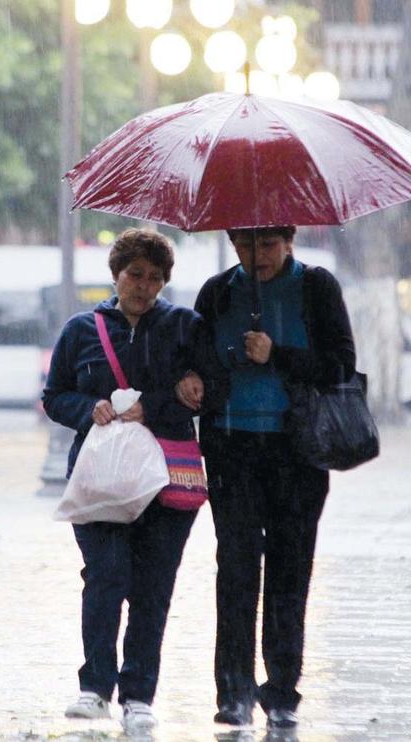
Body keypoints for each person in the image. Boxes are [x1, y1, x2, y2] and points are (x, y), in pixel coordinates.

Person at [42, 228, 225, 734]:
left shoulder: (185, 327)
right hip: (99, 478)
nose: (143, 287)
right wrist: (88, 408)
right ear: (115, 275)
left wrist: (159, 405)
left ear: (165, 281)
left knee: (152, 587)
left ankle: (139, 693)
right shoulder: (82, 329)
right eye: (134, 275)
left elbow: (212, 390)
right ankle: (95, 688)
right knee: (105, 577)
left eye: (153, 278)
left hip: (165, 480)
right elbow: (54, 394)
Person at [187, 225, 356, 731]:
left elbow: (341, 365)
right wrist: (199, 375)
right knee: (236, 569)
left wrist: (276, 355)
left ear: (288, 241)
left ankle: (282, 691)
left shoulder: (316, 287)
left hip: (296, 452)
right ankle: (233, 690)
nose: (255, 255)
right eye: (245, 244)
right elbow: (194, 357)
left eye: (266, 244)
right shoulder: (218, 293)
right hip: (232, 449)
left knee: (289, 570)